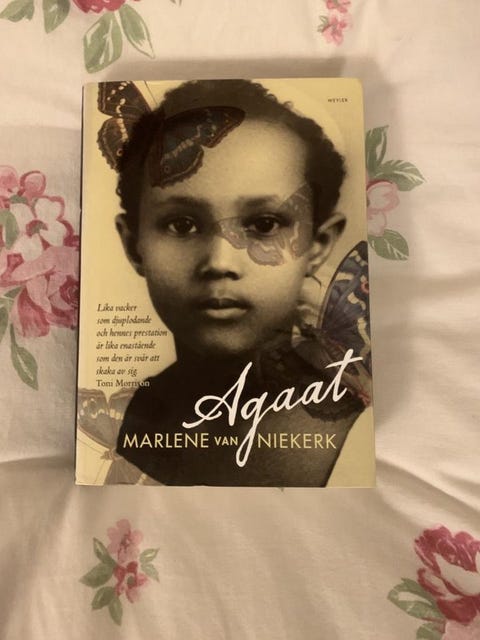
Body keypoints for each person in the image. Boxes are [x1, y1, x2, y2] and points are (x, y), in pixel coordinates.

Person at [114, 79, 368, 486]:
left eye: (264, 224)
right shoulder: (137, 412)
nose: (219, 262)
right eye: (182, 224)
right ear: (134, 245)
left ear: (317, 245)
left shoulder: (354, 435)